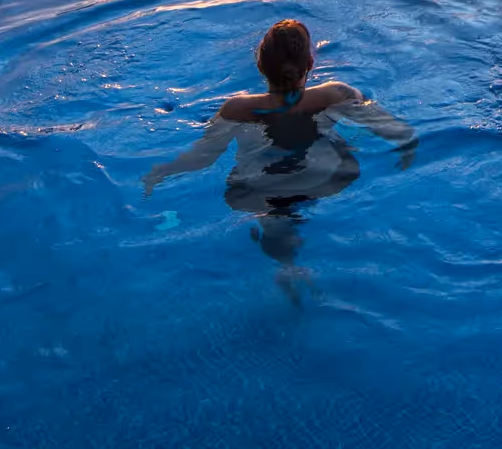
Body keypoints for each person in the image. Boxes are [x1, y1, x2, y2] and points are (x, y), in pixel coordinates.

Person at [143, 19, 416, 296]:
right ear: (310, 63)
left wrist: (162, 171)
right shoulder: (337, 93)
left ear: (260, 66)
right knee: (343, 150)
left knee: (273, 214)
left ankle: (287, 267)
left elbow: (202, 158)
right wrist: (407, 151)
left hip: (259, 189)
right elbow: (399, 132)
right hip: (324, 179)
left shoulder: (236, 108)